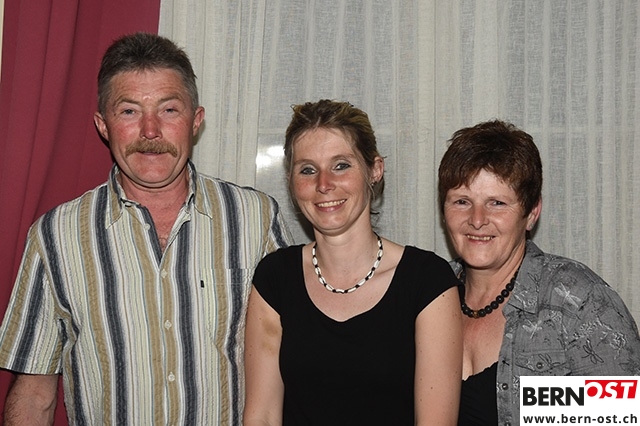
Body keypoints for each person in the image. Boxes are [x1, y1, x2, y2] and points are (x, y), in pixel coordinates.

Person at [0, 32, 292, 425]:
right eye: (129, 112)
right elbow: (34, 394)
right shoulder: (55, 237)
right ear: (103, 125)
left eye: (169, 110)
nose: (150, 131)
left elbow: (297, 360)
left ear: (196, 121)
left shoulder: (256, 219)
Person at [243, 99, 462, 426]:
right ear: (291, 181)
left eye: (341, 165)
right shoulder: (275, 278)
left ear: (374, 170)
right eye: (308, 170)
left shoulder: (427, 281)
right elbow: (262, 416)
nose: (323, 184)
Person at [438, 119, 640, 425]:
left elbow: (622, 417)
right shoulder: (428, 294)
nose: (477, 220)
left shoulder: (578, 302)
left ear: (532, 212)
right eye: (462, 201)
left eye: (497, 203)